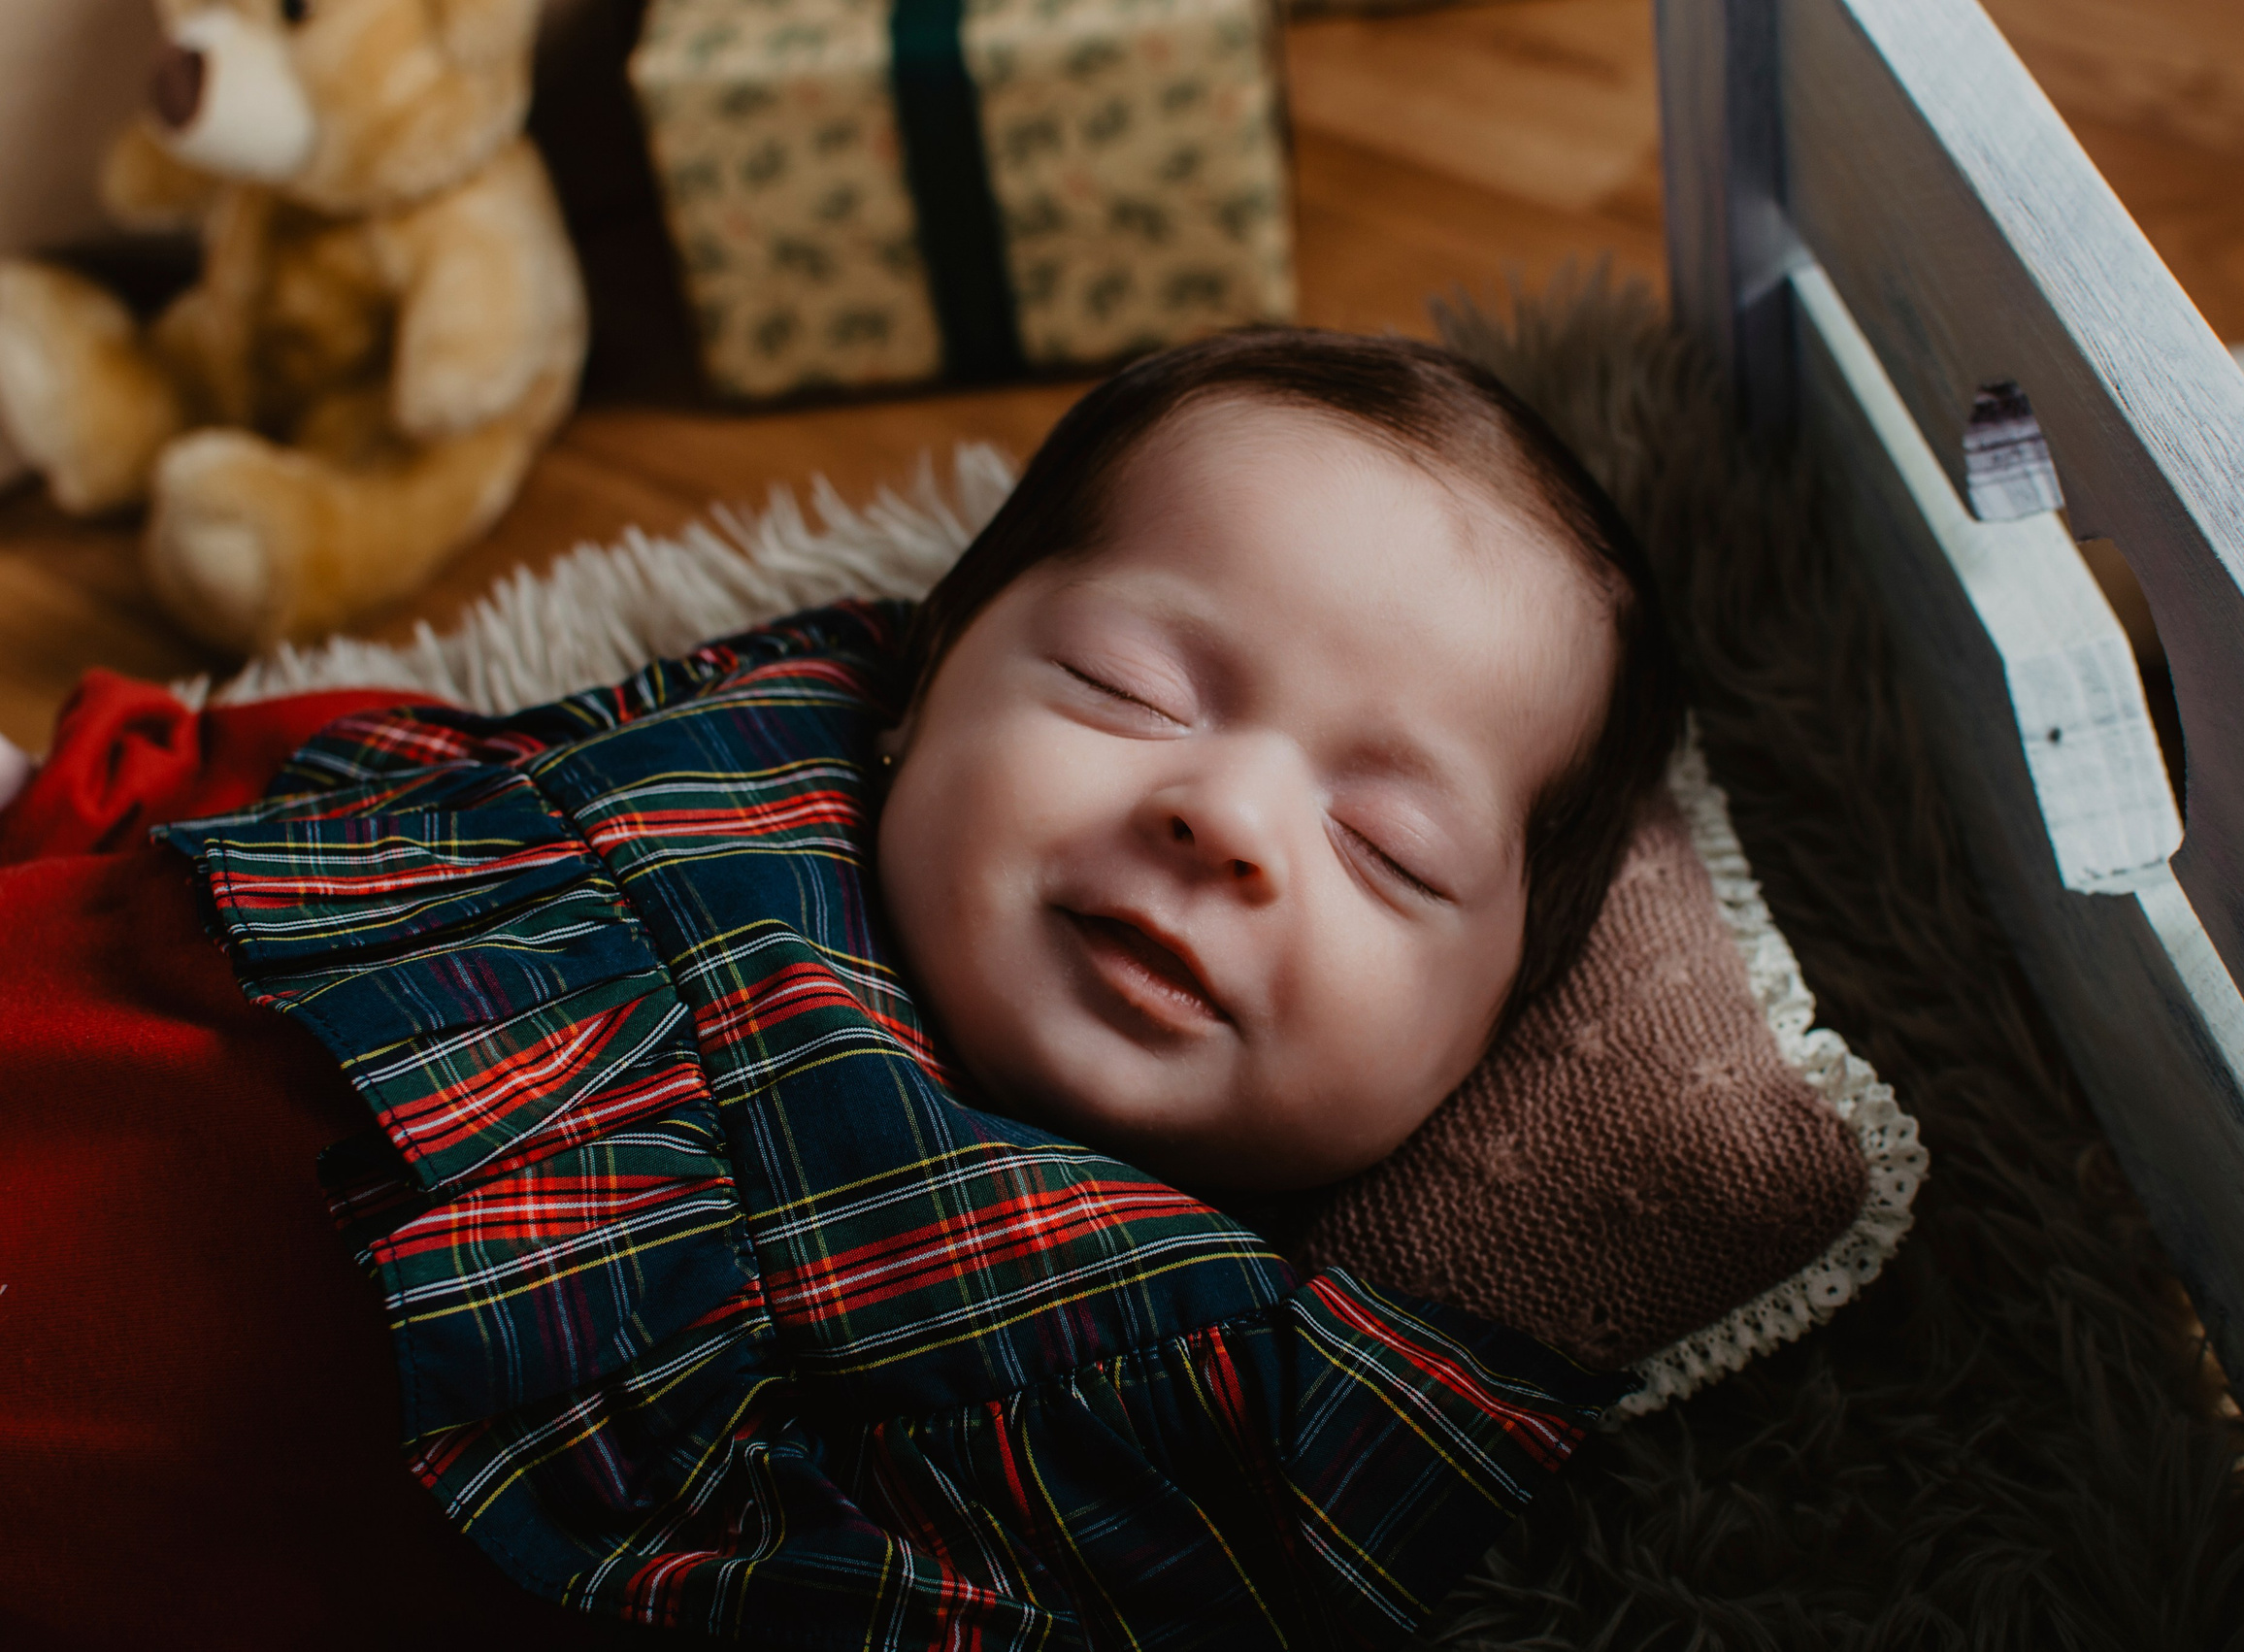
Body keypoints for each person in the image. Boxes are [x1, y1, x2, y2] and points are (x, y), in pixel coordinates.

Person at [0, 329, 1680, 1650]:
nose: (1226, 815)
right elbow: (368, 791)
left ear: (1491, 1032)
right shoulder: (741, 754)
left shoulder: (1205, 1391)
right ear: (929, 675)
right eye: (1129, 685)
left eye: (1389, 847)